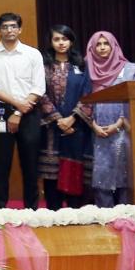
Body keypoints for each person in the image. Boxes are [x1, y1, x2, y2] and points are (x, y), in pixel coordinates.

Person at [0, 13, 46, 209]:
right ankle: (0, 209)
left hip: (29, 111)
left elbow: (39, 87)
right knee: (1, 163)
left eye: (13, 26)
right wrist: (16, 105)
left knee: (30, 163)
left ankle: (31, 210)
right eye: (4, 27)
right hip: (1, 111)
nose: (9, 30)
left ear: (20, 29)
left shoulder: (33, 54)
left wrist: (19, 112)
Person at [38, 25, 94, 210]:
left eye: (65, 39)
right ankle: (53, 210)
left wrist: (72, 118)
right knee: (52, 172)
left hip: (76, 127)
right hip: (51, 127)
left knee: (75, 169)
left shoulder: (82, 65)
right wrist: (57, 119)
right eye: (57, 39)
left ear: (71, 41)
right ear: (50, 42)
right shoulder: (43, 65)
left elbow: (88, 94)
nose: (61, 43)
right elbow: (40, 93)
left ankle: (74, 210)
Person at [86, 31, 135, 208]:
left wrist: (120, 123)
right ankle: (104, 217)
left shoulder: (130, 69)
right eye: (98, 44)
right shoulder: (87, 69)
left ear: (114, 46)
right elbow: (82, 99)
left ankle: (127, 216)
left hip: (124, 129)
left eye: (106, 43)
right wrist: (92, 124)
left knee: (125, 174)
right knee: (101, 176)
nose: (102, 47)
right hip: (96, 131)